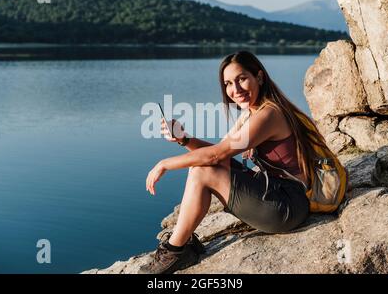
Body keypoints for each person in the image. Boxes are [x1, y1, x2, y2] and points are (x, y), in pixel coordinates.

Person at [139, 51, 329, 274]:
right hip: (276, 191)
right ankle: (183, 243)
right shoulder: (254, 112)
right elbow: (219, 153)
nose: (235, 90)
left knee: (202, 171)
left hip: (287, 206)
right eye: (228, 83)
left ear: (259, 77)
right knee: (202, 167)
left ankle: (176, 251)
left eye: (241, 79)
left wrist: (164, 163)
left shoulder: (269, 115)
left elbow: (215, 156)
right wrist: (185, 139)